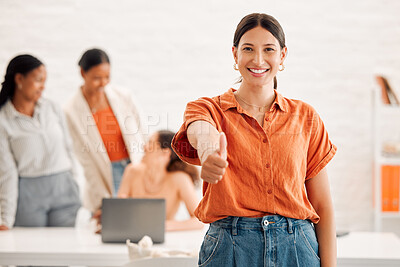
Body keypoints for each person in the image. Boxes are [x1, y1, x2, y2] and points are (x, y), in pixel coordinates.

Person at [172, 13, 337, 267]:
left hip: (296, 249)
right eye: (248, 49)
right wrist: (209, 152)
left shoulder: (306, 117)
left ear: (282, 56)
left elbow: (323, 205)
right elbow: (201, 131)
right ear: (235, 54)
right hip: (229, 248)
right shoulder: (207, 109)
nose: (258, 60)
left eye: (268, 49)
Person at [0, 54, 81, 230]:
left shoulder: (52, 107)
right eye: (38, 80)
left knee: (66, 247)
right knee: (32, 249)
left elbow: (68, 149)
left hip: (64, 190)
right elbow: (7, 173)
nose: (43, 87)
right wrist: (5, 218)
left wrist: (75, 185)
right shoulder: (3, 121)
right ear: (19, 79)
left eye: (44, 81)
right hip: (30, 196)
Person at [64, 48, 144, 216]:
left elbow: (142, 133)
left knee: (138, 218)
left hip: (132, 166)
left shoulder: (123, 96)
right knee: (114, 222)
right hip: (104, 174)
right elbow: (85, 160)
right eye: (96, 78)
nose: (103, 83)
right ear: (82, 73)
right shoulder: (71, 110)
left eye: (107, 77)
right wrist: (101, 199)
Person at [118, 130, 203, 231]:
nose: (144, 147)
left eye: (150, 144)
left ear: (165, 153)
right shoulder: (132, 171)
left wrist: (162, 226)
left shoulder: (180, 179)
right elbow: (119, 214)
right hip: (131, 236)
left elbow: (199, 220)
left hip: (164, 241)